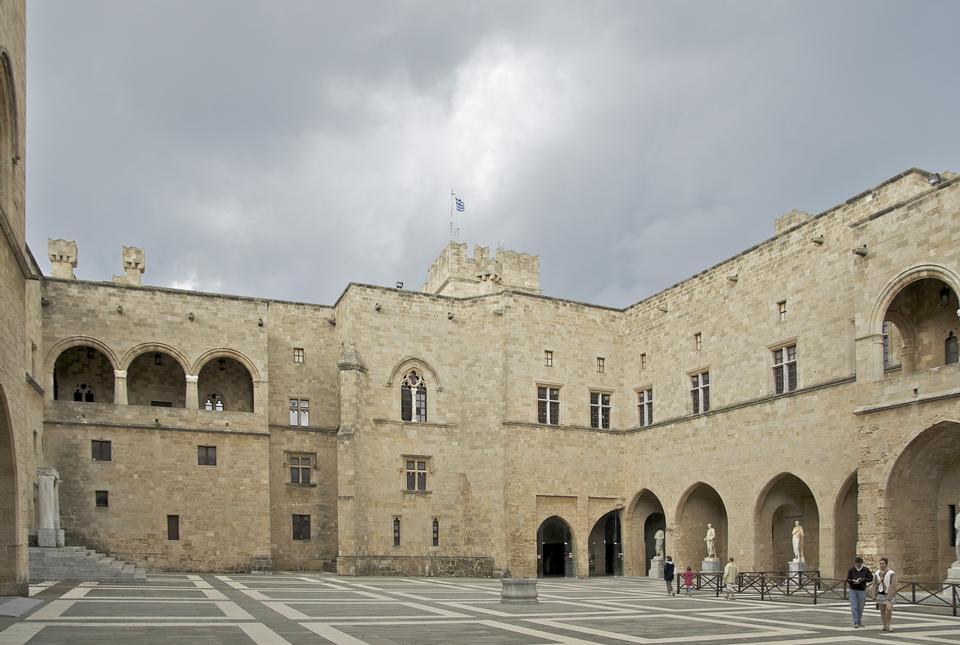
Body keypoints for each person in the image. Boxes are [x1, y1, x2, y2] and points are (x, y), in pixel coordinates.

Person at [846, 556, 871, 628]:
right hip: (853, 589)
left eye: (859, 564)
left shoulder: (866, 570)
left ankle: (859, 620)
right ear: (855, 563)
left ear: (862, 563)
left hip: (862, 590)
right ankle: (856, 622)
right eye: (857, 564)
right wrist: (852, 582)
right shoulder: (851, 570)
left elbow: (870, 578)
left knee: (861, 607)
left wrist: (863, 579)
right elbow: (848, 579)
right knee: (854, 606)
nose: (858, 566)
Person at [872, 557, 896, 633]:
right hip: (881, 593)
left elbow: (893, 584)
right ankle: (884, 625)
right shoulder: (877, 573)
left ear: (886, 564)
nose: (881, 565)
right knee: (882, 610)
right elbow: (875, 584)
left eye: (883, 564)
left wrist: (890, 595)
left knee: (889, 609)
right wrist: (873, 595)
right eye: (880, 564)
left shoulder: (891, 573)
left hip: (889, 593)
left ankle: (889, 625)